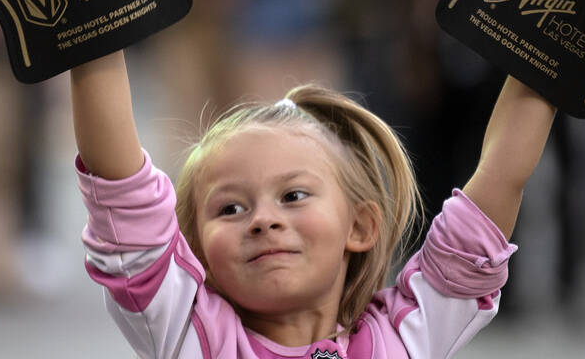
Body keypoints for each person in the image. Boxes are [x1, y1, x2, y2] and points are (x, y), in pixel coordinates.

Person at [69, 50, 555, 357]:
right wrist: (93, 32)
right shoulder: (187, 332)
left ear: (360, 226)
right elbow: (120, 193)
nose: (263, 220)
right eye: (230, 209)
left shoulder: (408, 336)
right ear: (196, 249)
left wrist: (549, 49)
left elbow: (498, 182)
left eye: (293, 196)